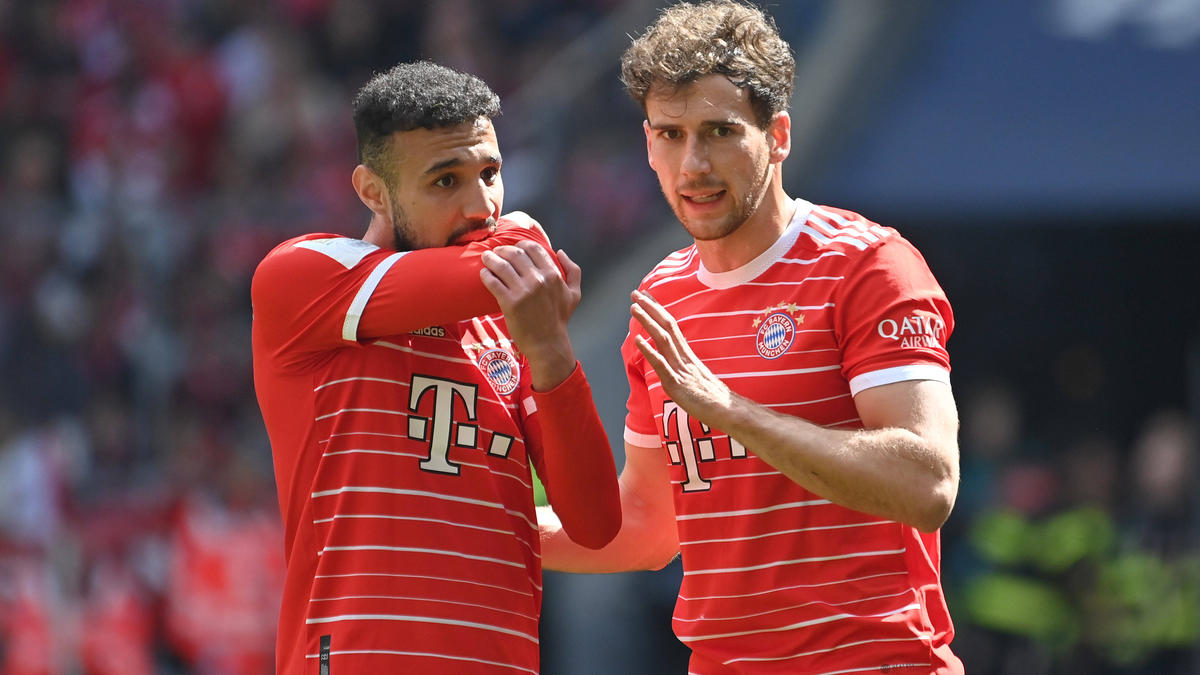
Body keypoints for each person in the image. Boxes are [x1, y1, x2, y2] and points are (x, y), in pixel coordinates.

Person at [537, 2, 964, 673]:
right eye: (670, 134)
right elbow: (648, 524)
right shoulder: (661, 295)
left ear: (779, 134)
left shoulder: (869, 266)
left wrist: (732, 412)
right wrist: (483, 521)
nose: (693, 164)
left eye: (719, 131)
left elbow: (928, 484)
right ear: (647, 143)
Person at [251, 61, 621, 675]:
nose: (481, 206)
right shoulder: (306, 277)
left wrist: (551, 352)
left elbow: (595, 523)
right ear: (372, 191)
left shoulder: (508, 328)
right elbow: (523, 248)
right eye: (446, 181)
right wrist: (526, 238)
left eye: (491, 173)